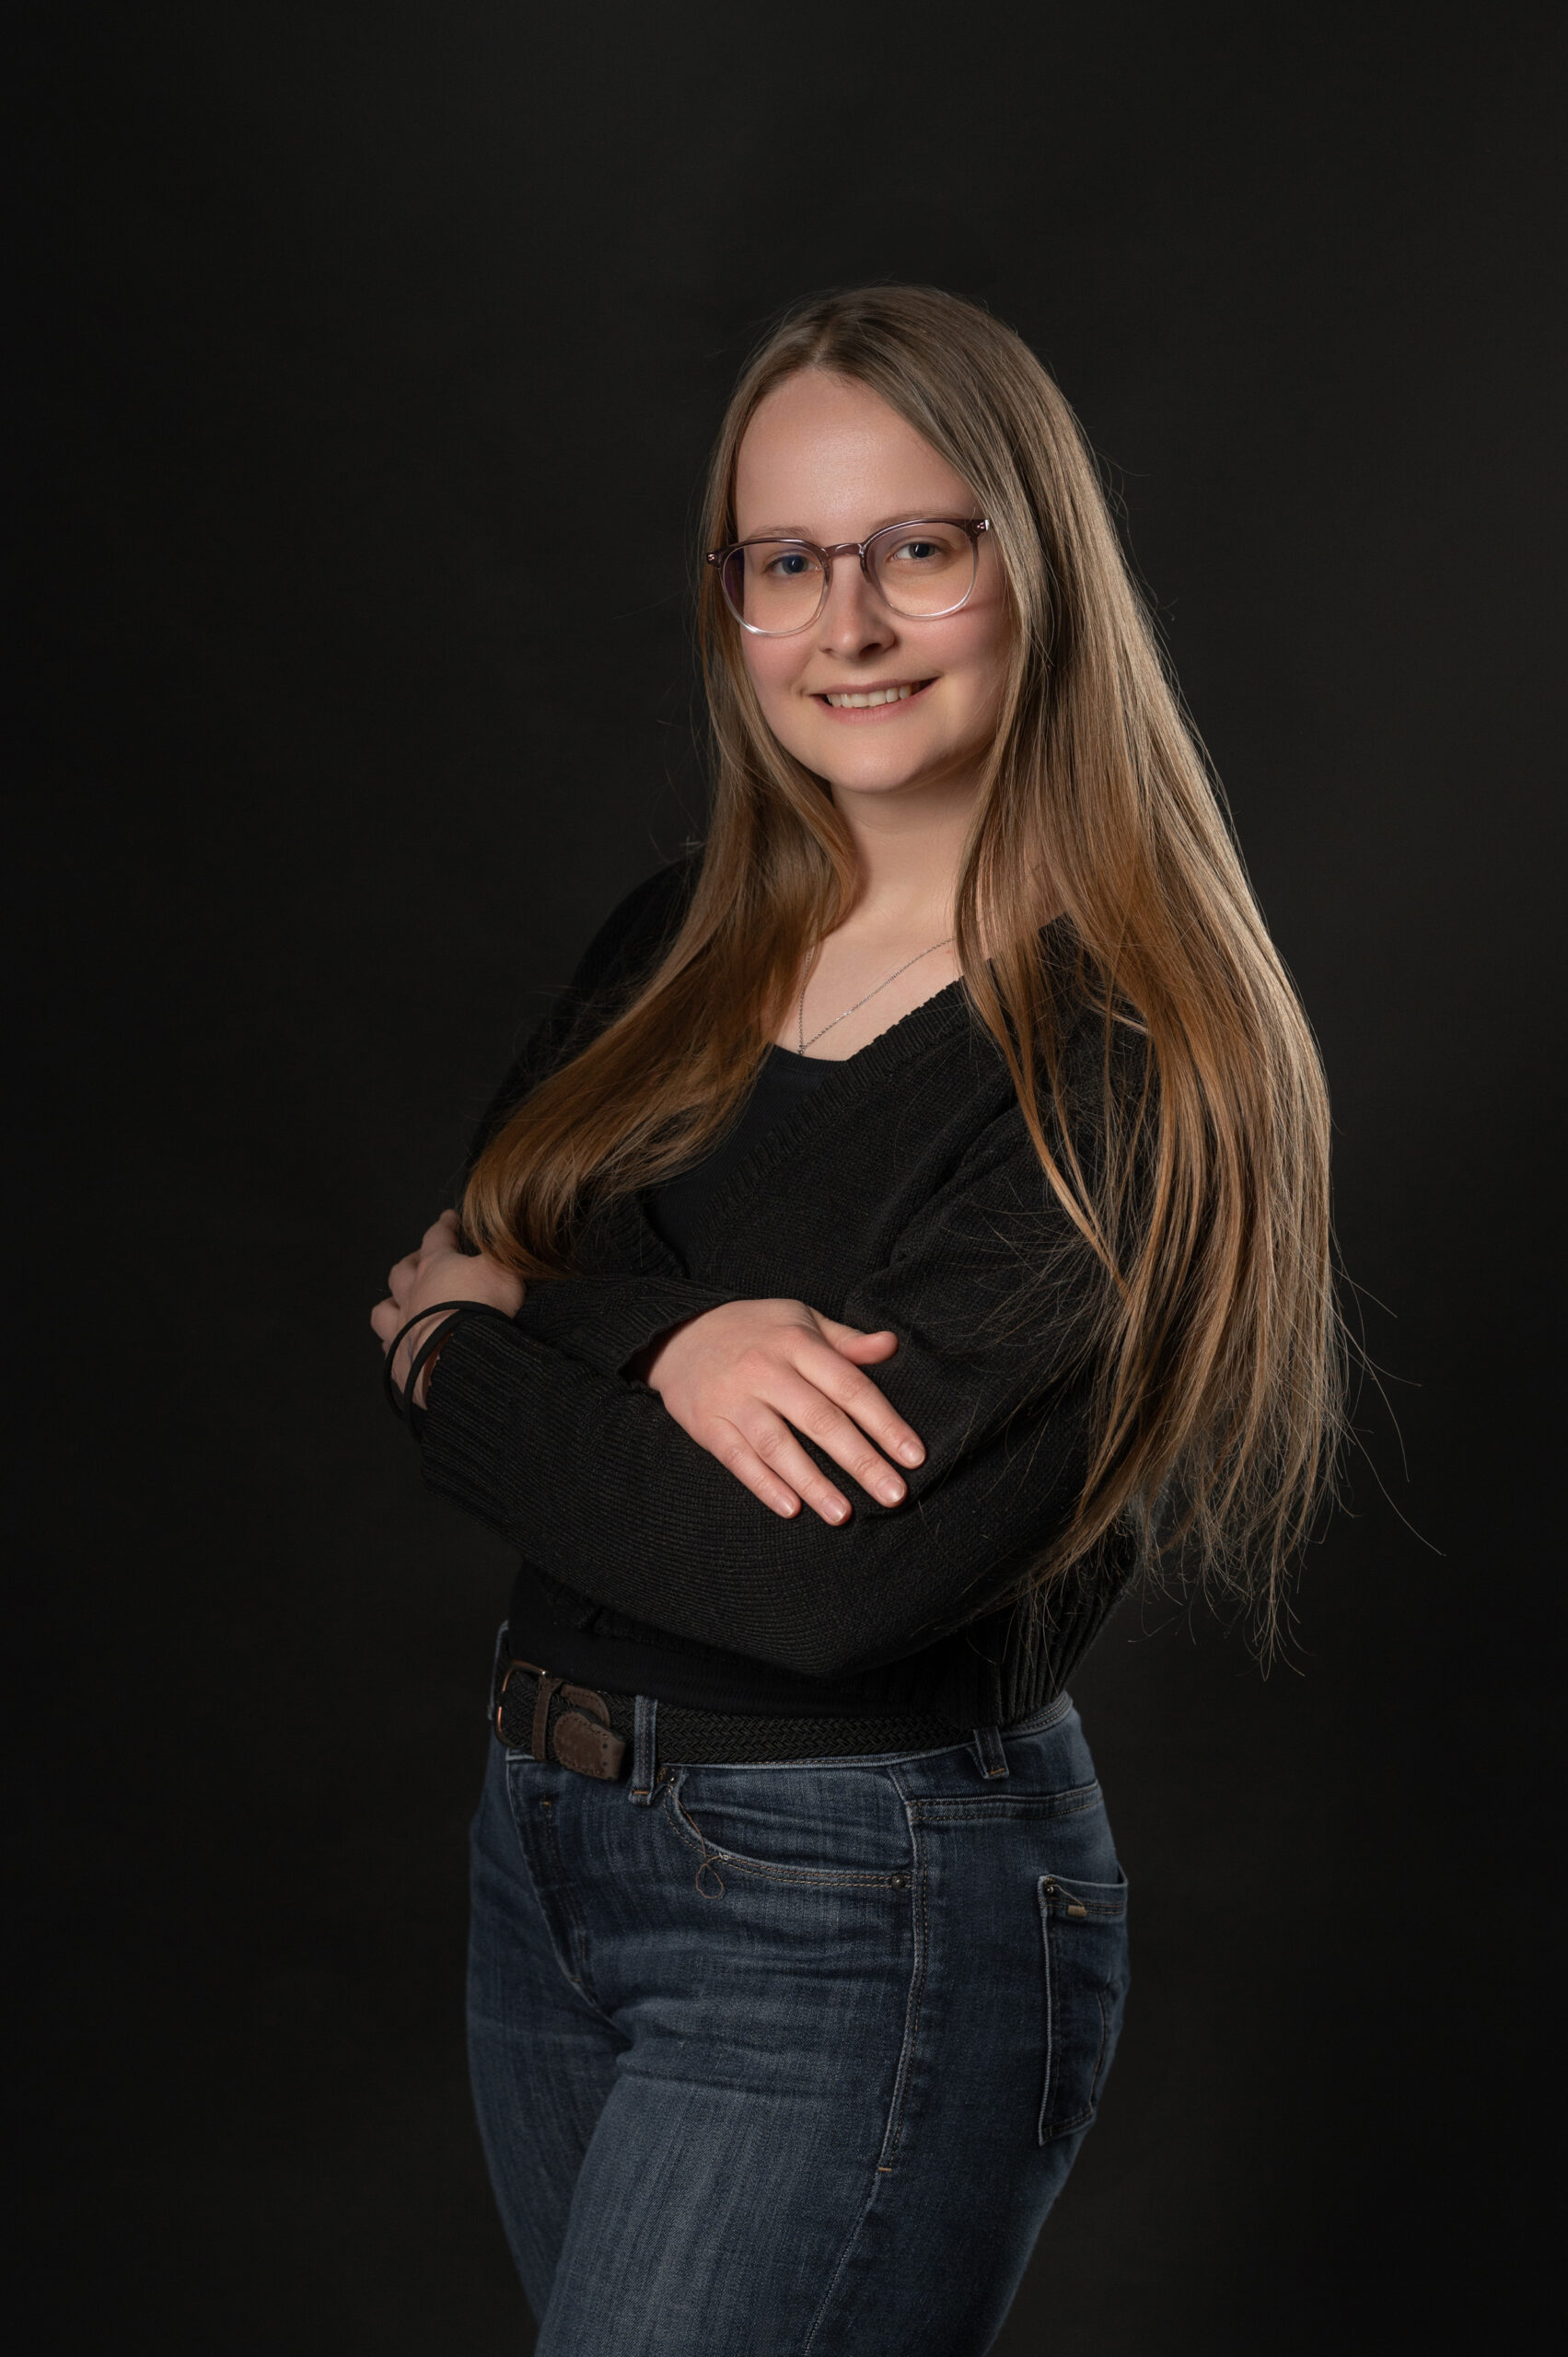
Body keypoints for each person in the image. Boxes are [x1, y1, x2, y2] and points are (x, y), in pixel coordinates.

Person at [371, 284, 1340, 2355]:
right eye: (786, 563)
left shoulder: (1136, 1050)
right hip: (542, 1846)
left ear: (1034, 562)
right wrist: (672, 1339)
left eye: (919, 547)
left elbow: (812, 1576)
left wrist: (483, 1352)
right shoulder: (677, 943)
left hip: (847, 1902)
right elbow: (465, 1254)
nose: (852, 625)